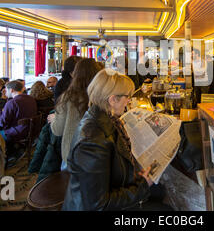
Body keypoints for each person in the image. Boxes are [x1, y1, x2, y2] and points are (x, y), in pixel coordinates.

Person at [62, 69, 171, 211]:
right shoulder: (92, 141)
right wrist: (143, 185)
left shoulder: (105, 119)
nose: (129, 101)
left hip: (114, 189)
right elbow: (98, 204)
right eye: (127, 96)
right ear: (113, 99)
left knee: (160, 191)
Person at [50, 58, 102, 166]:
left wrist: (53, 119)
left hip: (73, 152)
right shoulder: (102, 96)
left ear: (75, 74)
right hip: (98, 150)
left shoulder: (68, 97)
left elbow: (58, 130)